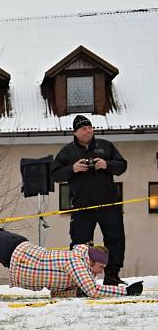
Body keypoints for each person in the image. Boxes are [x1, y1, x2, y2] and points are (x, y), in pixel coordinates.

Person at [0, 167, 143, 299]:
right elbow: (94, 291)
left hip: (16, 250)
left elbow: (57, 292)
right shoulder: (78, 262)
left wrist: (76, 291)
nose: (101, 271)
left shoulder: (80, 266)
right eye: (101, 266)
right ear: (92, 260)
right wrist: (125, 291)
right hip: (13, 251)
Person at [51, 115, 128, 286]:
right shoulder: (67, 152)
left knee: (115, 239)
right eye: (84, 128)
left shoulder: (105, 146)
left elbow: (122, 165)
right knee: (80, 243)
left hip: (109, 204)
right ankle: (79, 278)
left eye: (90, 127)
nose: (89, 131)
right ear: (75, 132)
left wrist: (106, 165)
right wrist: (73, 168)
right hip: (82, 206)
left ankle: (112, 275)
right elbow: (55, 174)